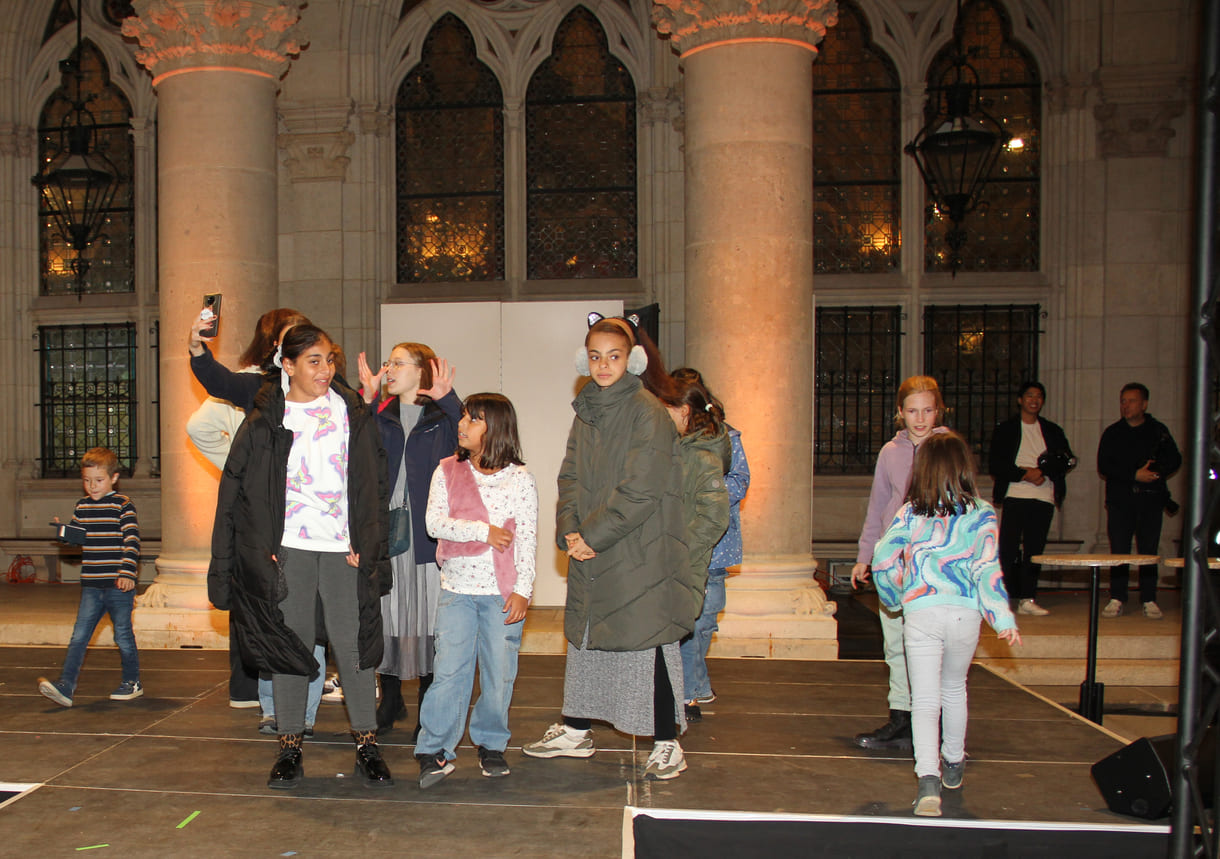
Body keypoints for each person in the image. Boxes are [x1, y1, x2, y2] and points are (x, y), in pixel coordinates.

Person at [208, 324, 393, 790]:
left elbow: (375, 485)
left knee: (355, 647)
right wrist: (239, 559)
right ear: (286, 365)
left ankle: (367, 744)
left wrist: (368, 543)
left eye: (329, 359)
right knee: (290, 648)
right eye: (313, 361)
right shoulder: (266, 421)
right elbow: (234, 494)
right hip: (288, 549)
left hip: (342, 549)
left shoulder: (353, 413)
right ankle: (289, 745)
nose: (325, 370)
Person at [522, 314, 689, 780]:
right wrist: (570, 531)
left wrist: (590, 537)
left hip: (638, 550)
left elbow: (640, 490)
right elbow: (570, 476)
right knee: (588, 637)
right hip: (594, 545)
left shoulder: (648, 413)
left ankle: (666, 741)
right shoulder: (588, 410)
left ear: (632, 359)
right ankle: (576, 729)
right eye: (595, 356)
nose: (603, 365)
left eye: (613, 356)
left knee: (646, 637)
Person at [185, 308, 328, 729]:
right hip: (270, 528)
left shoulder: (332, 395)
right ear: (280, 353)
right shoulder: (261, 391)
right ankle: (272, 708)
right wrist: (197, 346)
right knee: (271, 617)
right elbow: (220, 381)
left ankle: (303, 712)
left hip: (314, 526)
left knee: (311, 623)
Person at [871, 431, 1022, 817]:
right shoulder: (983, 513)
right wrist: (1002, 617)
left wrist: (893, 599)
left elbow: (883, 559)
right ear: (964, 469)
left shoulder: (909, 512)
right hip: (964, 614)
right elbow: (987, 567)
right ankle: (953, 760)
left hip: (921, 611)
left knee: (924, 699)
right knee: (955, 687)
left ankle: (928, 784)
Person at [415, 393, 538, 788]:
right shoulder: (447, 471)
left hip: (501, 593)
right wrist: (482, 531)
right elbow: (435, 524)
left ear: (496, 427)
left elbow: (527, 540)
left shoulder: (520, 479)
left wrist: (523, 589)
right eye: (464, 416)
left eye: (473, 419)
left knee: (500, 673)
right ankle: (434, 748)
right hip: (456, 590)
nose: (462, 424)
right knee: (449, 671)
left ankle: (491, 744)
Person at [356, 342, 460, 735]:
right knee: (389, 615)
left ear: (422, 371)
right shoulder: (379, 416)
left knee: (432, 618)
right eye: (389, 363)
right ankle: (392, 698)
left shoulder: (442, 419)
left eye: (398, 363)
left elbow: (474, 432)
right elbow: (353, 449)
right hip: (386, 536)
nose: (389, 369)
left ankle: (429, 713)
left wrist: (448, 399)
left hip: (429, 537)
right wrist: (366, 401)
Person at [851, 376, 949, 751]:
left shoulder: (948, 449)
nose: (920, 419)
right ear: (900, 413)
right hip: (894, 561)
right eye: (912, 411)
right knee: (895, 642)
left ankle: (934, 719)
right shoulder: (890, 452)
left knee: (930, 644)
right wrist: (866, 556)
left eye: (927, 410)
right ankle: (901, 716)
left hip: (933, 562)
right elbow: (878, 506)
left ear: (938, 411)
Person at [38, 447, 143, 707]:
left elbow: (132, 540)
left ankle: (133, 681)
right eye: (87, 481)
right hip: (92, 585)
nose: (92, 486)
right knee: (79, 636)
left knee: (123, 636)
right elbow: (78, 539)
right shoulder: (82, 506)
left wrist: (128, 572)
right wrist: (65, 533)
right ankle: (66, 686)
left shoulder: (123, 504)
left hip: (118, 584)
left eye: (98, 480)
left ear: (113, 478)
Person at [668, 369, 741, 722]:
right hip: (688, 544)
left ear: (685, 409)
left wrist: (709, 495)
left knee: (703, 622)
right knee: (688, 623)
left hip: (714, 546)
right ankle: (689, 691)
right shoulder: (673, 443)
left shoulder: (720, 444)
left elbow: (735, 483)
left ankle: (692, 686)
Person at [988, 381, 1076, 617]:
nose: (1034, 400)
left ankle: (1028, 597)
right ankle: (1002, 597)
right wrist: (1024, 473)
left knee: (1034, 549)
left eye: (1039, 396)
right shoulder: (1006, 429)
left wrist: (1042, 473)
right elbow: (996, 463)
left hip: (1043, 494)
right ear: (1020, 400)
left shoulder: (1052, 430)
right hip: (1016, 493)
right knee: (1007, 548)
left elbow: (1066, 459)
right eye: (1029, 395)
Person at [1097, 383, 1182, 619]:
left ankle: (1149, 598)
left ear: (1144, 404)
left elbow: (1175, 459)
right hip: (1120, 502)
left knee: (1148, 550)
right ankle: (1117, 597)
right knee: (1119, 551)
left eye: (1132, 401)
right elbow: (1105, 465)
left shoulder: (1158, 431)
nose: (1126, 405)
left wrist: (1155, 472)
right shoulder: (1113, 433)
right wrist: (1133, 474)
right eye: (1123, 401)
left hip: (1150, 501)